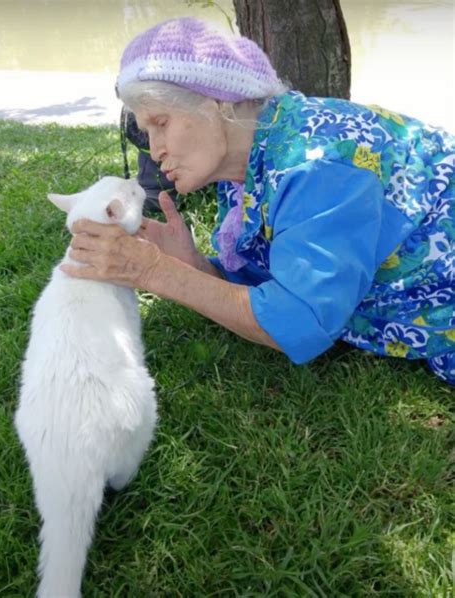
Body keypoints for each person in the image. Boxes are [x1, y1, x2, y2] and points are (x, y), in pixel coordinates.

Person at [61, 17, 455, 385]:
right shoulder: (253, 156)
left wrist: (154, 272)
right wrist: (192, 265)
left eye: (160, 123)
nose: (154, 149)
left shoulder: (316, 164)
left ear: (215, 102)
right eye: (147, 131)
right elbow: (275, 284)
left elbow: (300, 319)